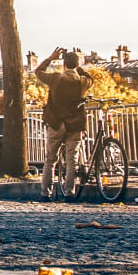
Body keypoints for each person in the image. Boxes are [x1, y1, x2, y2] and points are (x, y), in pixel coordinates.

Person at [36, 46, 92, 197]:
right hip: (75, 124)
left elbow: (38, 72)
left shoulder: (55, 78)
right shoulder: (82, 81)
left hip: (56, 123)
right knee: (72, 160)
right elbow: (91, 78)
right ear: (78, 64)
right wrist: (80, 64)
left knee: (50, 160)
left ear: (64, 64)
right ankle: (70, 192)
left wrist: (50, 58)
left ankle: (45, 193)